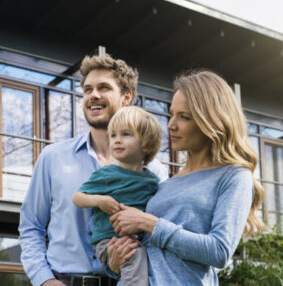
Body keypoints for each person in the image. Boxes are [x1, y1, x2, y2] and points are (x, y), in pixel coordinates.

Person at [18, 54, 168, 286]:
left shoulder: (154, 171)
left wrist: (119, 264)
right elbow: (31, 226)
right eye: (88, 90)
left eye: (103, 88)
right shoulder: (53, 157)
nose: (93, 95)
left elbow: (156, 235)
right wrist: (44, 280)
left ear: (126, 97)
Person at [108, 69, 265, 285]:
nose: (171, 124)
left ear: (210, 120)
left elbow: (219, 251)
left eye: (184, 117)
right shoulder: (165, 183)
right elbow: (149, 252)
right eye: (172, 113)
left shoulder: (234, 176)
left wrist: (149, 223)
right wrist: (116, 261)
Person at [73, 106, 162, 286]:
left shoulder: (153, 181)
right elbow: (77, 197)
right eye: (113, 135)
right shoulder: (106, 174)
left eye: (126, 134)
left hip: (140, 239)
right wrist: (99, 200)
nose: (117, 141)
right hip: (108, 241)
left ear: (147, 143)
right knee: (134, 255)